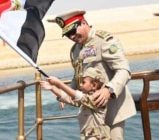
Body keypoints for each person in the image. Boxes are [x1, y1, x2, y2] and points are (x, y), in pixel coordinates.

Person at [48, 10, 136, 140]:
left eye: (73, 32)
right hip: (91, 112)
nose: (72, 37)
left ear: (83, 23)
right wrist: (67, 94)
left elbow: (124, 70)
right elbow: (78, 76)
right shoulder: (76, 49)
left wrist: (109, 89)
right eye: (67, 34)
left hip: (112, 109)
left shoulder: (104, 41)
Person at [39, 67, 111, 140]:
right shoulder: (86, 100)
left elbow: (77, 96)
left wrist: (59, 83)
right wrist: (53, 88)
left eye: (83, 82)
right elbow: (70, 98)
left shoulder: (97, 99)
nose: (80, 85)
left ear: (94, 85)